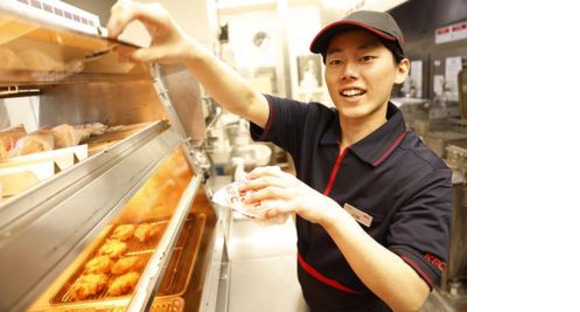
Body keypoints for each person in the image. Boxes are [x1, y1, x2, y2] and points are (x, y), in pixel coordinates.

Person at [108, 3, 452, 311]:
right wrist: (191, 52)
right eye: (336, 60)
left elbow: (409, 295)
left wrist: (327, 211)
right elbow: (245, 100)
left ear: (401, 69)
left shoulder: (424, 174)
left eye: (366, 58)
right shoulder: (313, 123)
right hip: (308, 297)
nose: (348, 71)